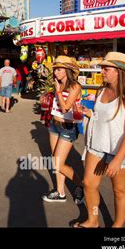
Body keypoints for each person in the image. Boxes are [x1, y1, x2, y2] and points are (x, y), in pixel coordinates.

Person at [73, 52, 125, 228]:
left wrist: (118, 159)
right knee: (89, 184)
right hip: (98, 146)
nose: (102, 72)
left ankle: (117, 226)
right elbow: (104, 117)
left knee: (120, 191)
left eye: (106, 68)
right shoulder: (102, 90)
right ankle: (93, 220)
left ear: (119, 71)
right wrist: (90, 113)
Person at [42, 56, 84, 204]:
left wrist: (58, 92)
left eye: (59, 69)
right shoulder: (58, 84)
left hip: (68, 127)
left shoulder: (75, 86)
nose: (55, 73)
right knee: (56, 160)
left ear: (67, 70)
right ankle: (60, 193)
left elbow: (66, 107)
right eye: (55, 70)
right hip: (54, 125)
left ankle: (81, 185)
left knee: (58, 163)